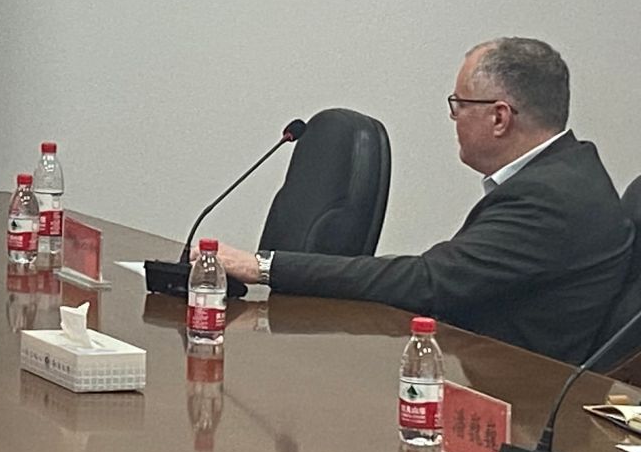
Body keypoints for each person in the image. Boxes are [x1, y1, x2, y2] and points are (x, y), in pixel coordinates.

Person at [214, 38, 631, 365]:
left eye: (458, 105)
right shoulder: (567, 173)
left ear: (499, 117)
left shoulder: (550, 199)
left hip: (516, 400)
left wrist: (262, 266)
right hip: (479, 367)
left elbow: (429, 283)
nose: (454, 118)